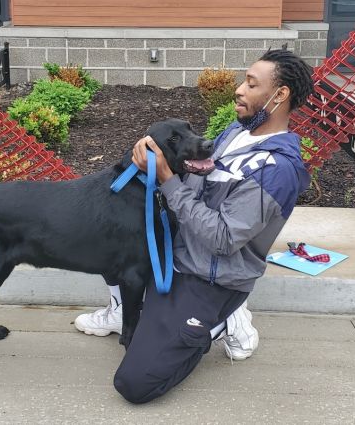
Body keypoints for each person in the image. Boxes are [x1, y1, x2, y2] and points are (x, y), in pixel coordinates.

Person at [74, 48, 315, 404]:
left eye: (251, 84)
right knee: (110, 230)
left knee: (134, 384)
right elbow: (196, 168)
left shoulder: (276, 170)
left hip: (208, 277)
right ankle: (122, 310)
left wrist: (168, 180)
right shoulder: (238, 131)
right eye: (243, 81)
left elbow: (223, 238)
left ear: (280, 96)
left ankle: (222, 320)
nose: (239, 90)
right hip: (179, 250)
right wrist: (151, 153)